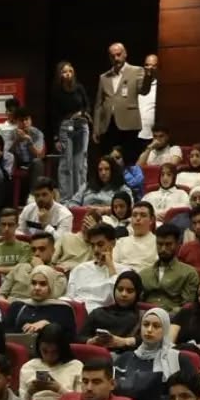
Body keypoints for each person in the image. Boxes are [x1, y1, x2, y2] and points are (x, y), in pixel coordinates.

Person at [113, 308, 195, 400]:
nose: (149, 330)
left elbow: (190, 395)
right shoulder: (125, 358)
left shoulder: (178, 359)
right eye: (146, 324)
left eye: (156, 326)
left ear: (165, 329)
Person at [93, 42, 145, 163]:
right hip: (108, 125)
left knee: (129, 160)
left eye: (118, 54)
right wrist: (96, 128)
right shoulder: (104, 77)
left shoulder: (136, 70)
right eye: (113, 56)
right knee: (107, 160)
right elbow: (98, 105)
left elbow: (143, 90)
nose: (116, 58)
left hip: (128, 123)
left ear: (125, 54)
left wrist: (148, 76)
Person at [52, 60, 91, 200]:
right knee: (66, 164)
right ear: (60, 75)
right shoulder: (57, 91)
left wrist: (82, 113)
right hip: (65, 127)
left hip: (81, 125)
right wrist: (56, 138)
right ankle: (66, 198)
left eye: (70, 71)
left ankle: (79, 196)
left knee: (80, 164)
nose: (68, 74)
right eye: (64, 72)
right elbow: (54, 115)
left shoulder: (79, 87)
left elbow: (87, 105)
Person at [64, 222, 122, 314]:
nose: (95, 250)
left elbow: (117, 299)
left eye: (100, 244)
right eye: (92, 245)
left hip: (101, 314)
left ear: (113, 243)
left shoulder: (124, 272)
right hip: (76, 312)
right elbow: (70, 297)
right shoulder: (79, 269)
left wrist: (110, 266)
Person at [81, 271, 143, 350]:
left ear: (138, 293)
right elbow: (79, 338)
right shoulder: (98, 313)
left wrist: (125, 341)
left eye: (129, 291)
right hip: (94, 354)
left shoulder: (142, 317)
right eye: (120, 289)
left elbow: (150, 340)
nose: (124, 294)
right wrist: (90, 341)